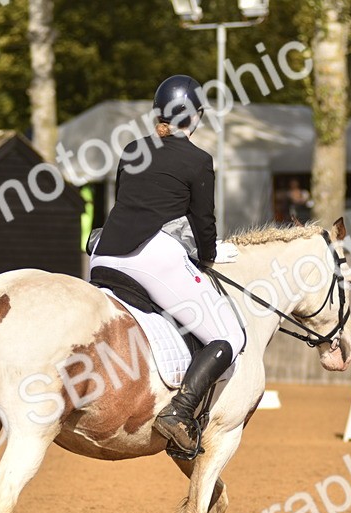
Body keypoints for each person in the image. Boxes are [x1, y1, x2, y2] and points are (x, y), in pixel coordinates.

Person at [90, 74, 245, 455]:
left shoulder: (131, 150)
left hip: (103, 253)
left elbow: (125, 201)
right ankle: (179, 412)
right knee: (229, 338)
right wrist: (207, 256)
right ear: (195, 118)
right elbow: (202, 222)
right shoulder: (198, 160)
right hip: (150, 257)